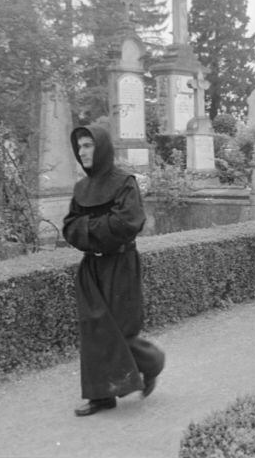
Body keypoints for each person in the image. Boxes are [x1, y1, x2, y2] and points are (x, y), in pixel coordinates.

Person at [63, 125, 165, 417]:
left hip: (120, 265)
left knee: (121, 330)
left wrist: (88, 228)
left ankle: (153, 363)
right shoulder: (81, 188)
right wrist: (96, 228)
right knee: (93, 329)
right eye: (79, 146)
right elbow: (70, 227)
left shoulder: (124, 183)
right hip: (91, 266)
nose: (82, 152)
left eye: (88, 145)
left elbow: (128, 223)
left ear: (102, 148)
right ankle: (101, 396)